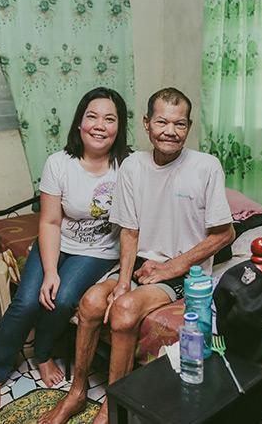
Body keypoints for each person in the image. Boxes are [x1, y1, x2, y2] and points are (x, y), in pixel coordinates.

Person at [40, 87, 235, 424]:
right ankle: (76, 392)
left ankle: (113, 407)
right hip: (142, 263)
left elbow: (225, 233)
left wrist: (171, 267)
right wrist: (123, 281)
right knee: (89, 303)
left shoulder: (206, 167)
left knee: (125, 311)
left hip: (182, 270)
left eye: (179, 124)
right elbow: (129, 232)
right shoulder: (133, 166)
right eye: (162, 122)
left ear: (188, 127)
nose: (170, 131)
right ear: (147, 123)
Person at [0, 87, 132, 408]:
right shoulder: (59, 163)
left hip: (98, 250)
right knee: (28, 301)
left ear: (119, 127)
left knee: (61, 301)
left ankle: (43, 354)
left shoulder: (129, 167)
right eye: (92, 116)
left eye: (109, 118)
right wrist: (50, 271)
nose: (99, 125)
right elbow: (48, 222)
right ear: (79, 123)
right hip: (57, 240)